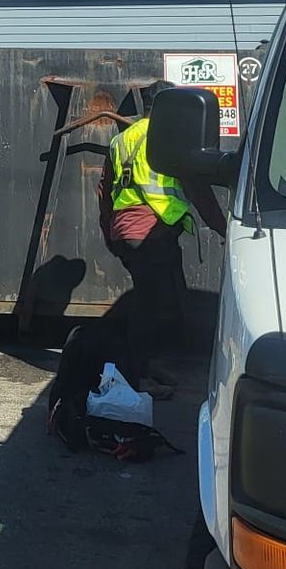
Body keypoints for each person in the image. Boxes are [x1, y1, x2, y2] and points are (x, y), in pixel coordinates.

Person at [99, 80, 193, 399]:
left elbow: (104, 190)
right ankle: (135, 376)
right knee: (149, 304)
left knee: (152, 298)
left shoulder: (121, 139)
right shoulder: (170, 135)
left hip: (126, 230)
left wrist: (108, 232)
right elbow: (196, 188)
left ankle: (145, 366)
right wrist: (222, 226)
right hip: (153, 231)